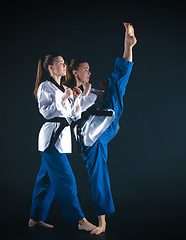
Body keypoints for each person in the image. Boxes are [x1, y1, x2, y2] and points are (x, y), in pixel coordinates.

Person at [64, 22, 137, 235]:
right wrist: (79, 95)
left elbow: (105, 90)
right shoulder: (70, 91)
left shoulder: (90, 87)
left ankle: (128, 46)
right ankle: (101, 221)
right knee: (98, 174)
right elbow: (70, 114)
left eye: (89, 69)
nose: (89, 72)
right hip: (90, 138)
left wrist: (95, 92)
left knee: (115, 85)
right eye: (85, 69)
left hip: (104, 125)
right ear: (75, 72)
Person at [28, 53, 97, 232]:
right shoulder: (46, 86)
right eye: (60, 63)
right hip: (51, 138)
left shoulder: (62, 88)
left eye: (64, 63)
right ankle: (80, 221)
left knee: (46, 181)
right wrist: (64, 98)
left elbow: (74, 115)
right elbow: (46, 112)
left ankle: (35, 218)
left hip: (60, 138)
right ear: (50, 67)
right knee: (67, 180)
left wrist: (77, 97)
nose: (64, 66)